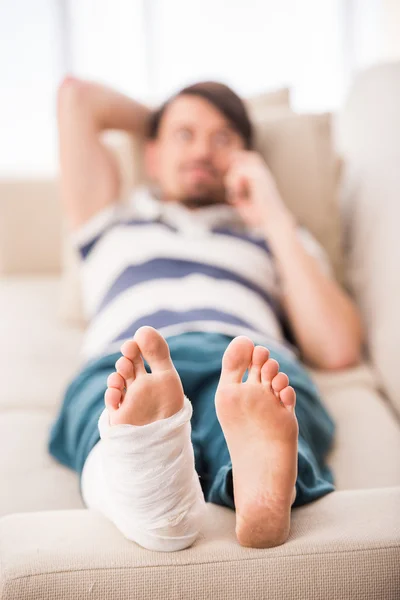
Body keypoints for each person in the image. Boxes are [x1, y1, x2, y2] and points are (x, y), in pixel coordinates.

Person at [48, 77, 363, 552]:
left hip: (243, 360)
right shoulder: (112, 220)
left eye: (223, 140)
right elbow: (76, 96)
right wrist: (160, 121)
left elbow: (337, 347)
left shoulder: (273, 236)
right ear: (150, 154)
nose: (202, 151)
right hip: (127, 360)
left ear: (246, 158)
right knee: (112, 409)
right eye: (185, 135)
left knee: (264, 405)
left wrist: (273, 214)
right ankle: (151, 483)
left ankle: (252, 488)